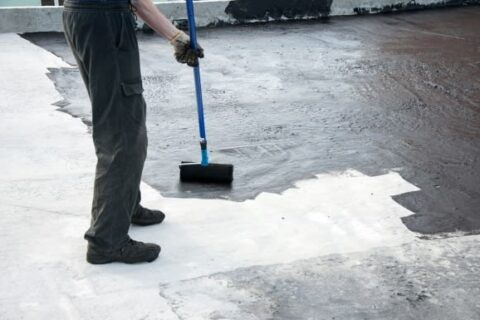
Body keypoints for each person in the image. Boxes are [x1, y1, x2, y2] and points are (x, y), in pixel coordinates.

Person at [62, 0, 204, 264]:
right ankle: (107, 240)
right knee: (123, 131)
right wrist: (176, 37)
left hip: (83, 15)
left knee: (116, 118)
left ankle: (124, 207)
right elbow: (139, 2)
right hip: (105, 22)